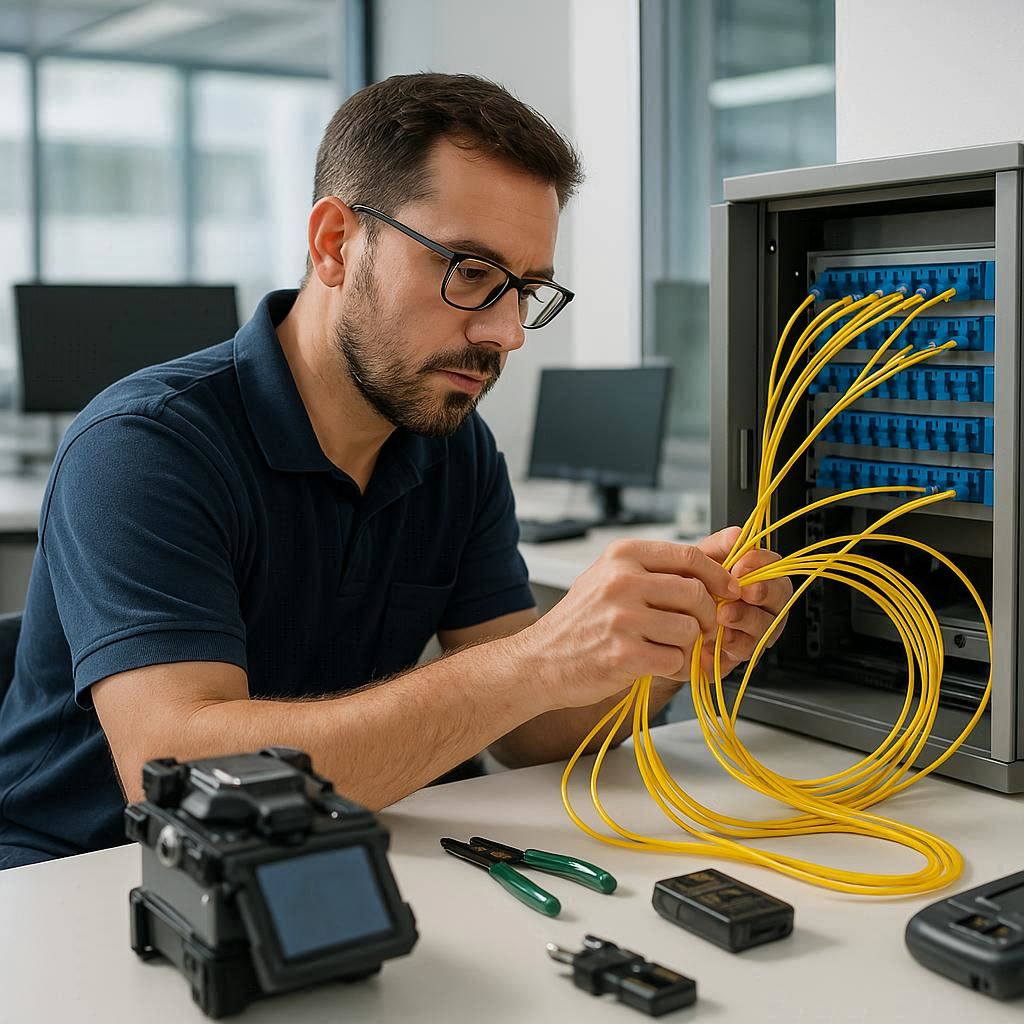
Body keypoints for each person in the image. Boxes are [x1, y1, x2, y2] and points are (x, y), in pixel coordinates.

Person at [0, 73, 791, 869]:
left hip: (330, 852)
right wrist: (537, 658)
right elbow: (179, 774)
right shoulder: (146, 446)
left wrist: (663, 655)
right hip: (91, 875)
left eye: (526, 290)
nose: (507, 334)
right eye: (471, 271)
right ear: (335, 243)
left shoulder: (452, 445)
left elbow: (529, 732)